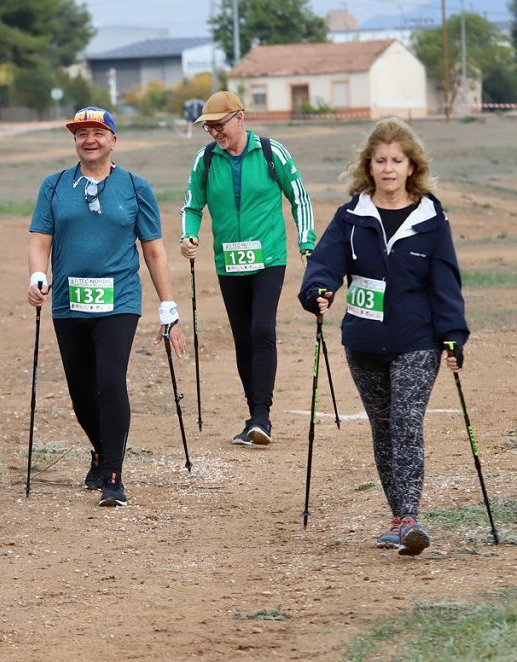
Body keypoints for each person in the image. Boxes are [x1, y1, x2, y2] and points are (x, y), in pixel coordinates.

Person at [299, 117, 467, 557]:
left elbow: (446, 283)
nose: (388, 168)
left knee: (407, 422)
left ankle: (411, 516)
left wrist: (452, 336)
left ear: (412, 166)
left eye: (397, 160)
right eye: (380, 161)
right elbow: (324, 262)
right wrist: (318, 290)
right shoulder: (353, 216)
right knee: (384, 428)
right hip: (364, 342)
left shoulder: (430, 219)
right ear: (368, 166)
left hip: (418, 340)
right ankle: (397, 519)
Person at [27, 106, 187, 507]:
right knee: (81, 391)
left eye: (98, 132)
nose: (90, 140)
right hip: (68, 302)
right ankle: (99, 450)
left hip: (120, 300)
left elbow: (153, 250)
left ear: (113, 140)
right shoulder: (54, 185)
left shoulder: (135, 187)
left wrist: (167, 304)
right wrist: (37, 275)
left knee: (110, 380)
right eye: (81, 134)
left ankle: (113, 474)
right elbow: (40, 239)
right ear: (75, 142)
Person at [179, 91, 315, 446]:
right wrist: (189, 236)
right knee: (242, 338)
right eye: (208, 127)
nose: (214, 133)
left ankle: (261, 416)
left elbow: (299, 196)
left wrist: (307, 242)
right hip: (229, 262)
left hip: (269, 257)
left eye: (219, 125)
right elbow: (192, 206)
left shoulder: (272, 153)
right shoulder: (205, 160)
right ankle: (253, 414)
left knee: (260, 329)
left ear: (240, 117)